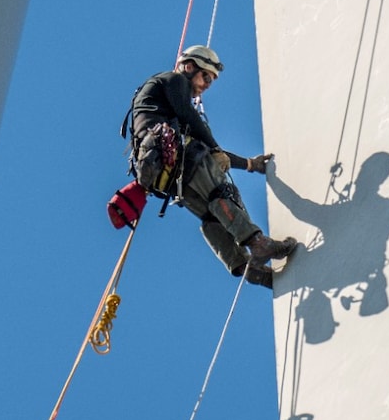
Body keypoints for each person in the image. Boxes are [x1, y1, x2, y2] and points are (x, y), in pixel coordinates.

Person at [127, 45, 296, 287]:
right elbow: (191, 120)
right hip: (176, 156)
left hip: (164, 171)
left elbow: (200, 145)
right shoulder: (175, 80)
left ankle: (246, 267)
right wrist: (215, 149)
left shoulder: (163, 108)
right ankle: (258, 244)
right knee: (221, 193)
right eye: (206, 76)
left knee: (210, 213)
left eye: (212, 80)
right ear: (189, 66)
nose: (208, 84)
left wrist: (250, 164)